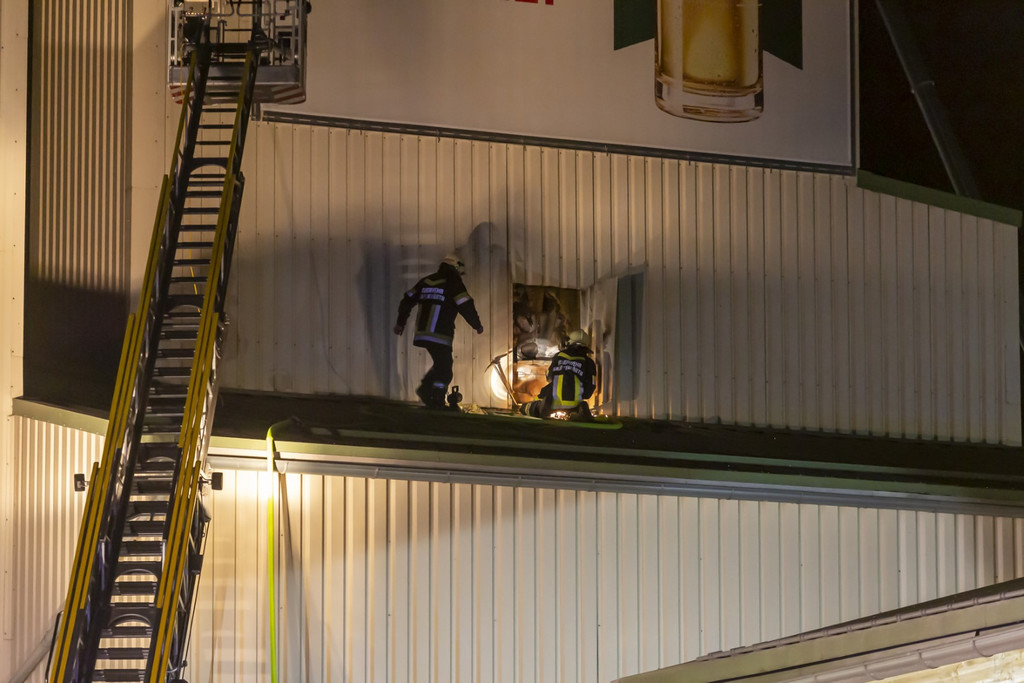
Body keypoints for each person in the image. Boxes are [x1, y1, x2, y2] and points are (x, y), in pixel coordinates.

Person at [394, 254, 484, 408]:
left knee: (441, 363)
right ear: (456, 268)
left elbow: (407, 299)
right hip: (441, 333)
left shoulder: (426, 281)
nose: (460, 275)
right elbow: (465, 305)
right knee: (445, 369)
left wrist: (400, 322)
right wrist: (477, 325)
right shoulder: (453, 283)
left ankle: (427, 390)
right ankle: (436, 398)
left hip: (423, 333)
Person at [520, 329, 597, 420]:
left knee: (527, 407)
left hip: (551, 401)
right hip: (574, 404)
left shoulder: (559, 356)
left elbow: (549, 377)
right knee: (580, 406)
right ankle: (579, 410)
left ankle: (537, 408)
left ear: (569, 342)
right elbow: (589, 389)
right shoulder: (589, 363)